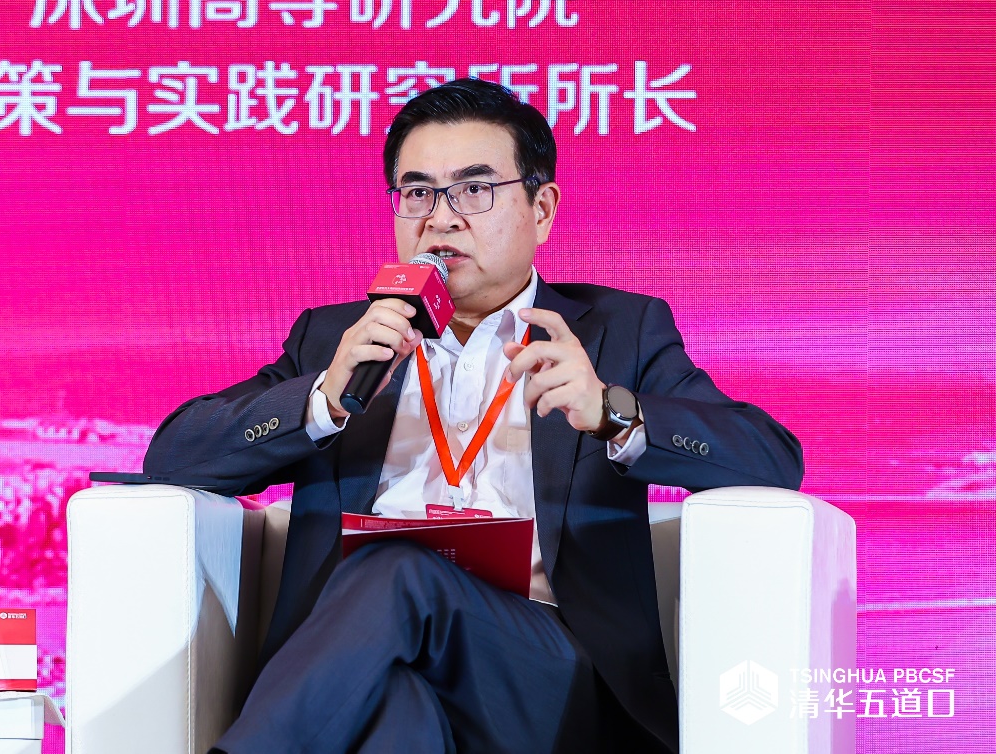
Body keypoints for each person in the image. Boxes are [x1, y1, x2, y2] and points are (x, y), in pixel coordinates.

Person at [143, 78, 803, 754]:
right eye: (417, 193)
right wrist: (322, 398)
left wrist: (610, 411)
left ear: (541, 210)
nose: (441, 218)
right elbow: (173, 456)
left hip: (546, 673)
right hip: (361, 656)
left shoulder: (618, 333)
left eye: (474, 189)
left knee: (395, 570)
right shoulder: (336, 340)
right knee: (395, 702)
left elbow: (770, 458)